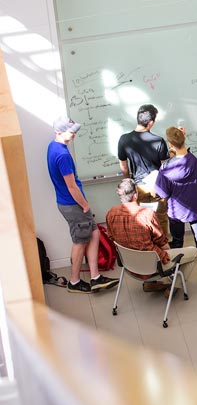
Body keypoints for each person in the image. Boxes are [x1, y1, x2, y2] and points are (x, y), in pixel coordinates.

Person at [47, 116, 119, 294]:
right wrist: (85, 205)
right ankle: (74, 281)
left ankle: (95, 277)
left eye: (74, 131)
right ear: (59, 132)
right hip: (73, 204)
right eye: (71, 132)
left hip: (68, 203)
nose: (74, 135)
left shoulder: (54, 146)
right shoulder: (62, 155)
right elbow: (71, 186)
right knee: (80, 241)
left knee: (94, 233)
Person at [106, 179, 197, 290]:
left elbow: (112, 237)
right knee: (194, 252)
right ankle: (174, 287)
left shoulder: (111, 213)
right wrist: (169, 254)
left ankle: (151, 285)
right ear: (135, 195)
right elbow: (162, 242)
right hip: (152, 265)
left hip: (128, 265)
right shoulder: (147, 214)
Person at [154, 127, 197, 285]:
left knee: (177, 241)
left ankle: (174, 274)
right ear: (184, 141)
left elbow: (162, 193)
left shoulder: (165, 169)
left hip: (175, 212)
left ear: (170, 145)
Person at [117, 104, 170, 236]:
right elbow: (164, 166)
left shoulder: (124, 139)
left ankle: (149, 248)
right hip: (157, 186)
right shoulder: (158, 140)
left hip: (138, 187)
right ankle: (164, 246)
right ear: (150, 122)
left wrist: (129, 180)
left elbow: (123, 165)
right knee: (161, 218)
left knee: (143, 219)